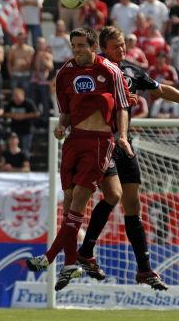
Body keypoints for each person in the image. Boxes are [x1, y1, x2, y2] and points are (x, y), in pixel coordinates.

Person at [74, 26, 179, 288]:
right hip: (100, 141)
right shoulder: (93, 69)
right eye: (116, 46)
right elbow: (82, 99)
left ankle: (144, 270)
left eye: (123, 45)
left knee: (132, 203)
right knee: (112, 195)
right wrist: (112, 98)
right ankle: (84, 251)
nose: (122, 50)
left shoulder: (130, 70)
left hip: (124, 143)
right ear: (103, 48)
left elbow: (161, 90)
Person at [25, 27, 132, 291]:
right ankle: (71, 263)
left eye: (82, 45)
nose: (77, 50)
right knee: (70, 203)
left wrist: (123, 136)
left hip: (99, 143)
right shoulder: (64, 73)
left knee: (78, 205)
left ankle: (49, 257)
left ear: (93, 46)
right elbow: (66, 112)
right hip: (73, 141)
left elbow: (122, 107)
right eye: (74, 46)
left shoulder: (110, 70)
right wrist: (61, 126)